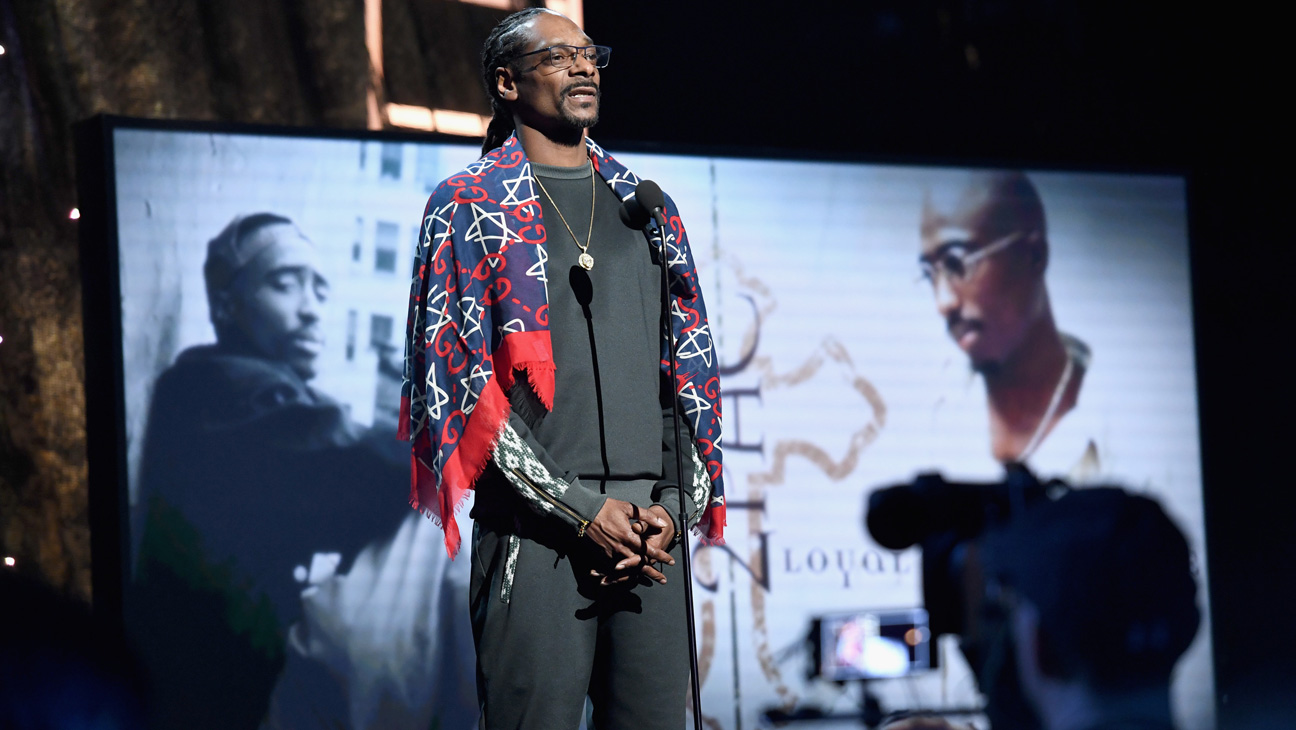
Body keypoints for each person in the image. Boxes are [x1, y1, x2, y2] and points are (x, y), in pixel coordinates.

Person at [400, 8, 725, 730]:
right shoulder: (468, 205)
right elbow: (459, 389)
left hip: (648, 534)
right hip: (536, 531)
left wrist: (674, 509)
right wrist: (581, 510)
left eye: (588, 54)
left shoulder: (645, 207)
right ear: (506, 82)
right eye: (557, 57)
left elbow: (686, 379)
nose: (583, 66)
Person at [132, 213, 411, 729]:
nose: (311, 309)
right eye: (285, 284)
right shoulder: (216, 389)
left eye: (320, 291)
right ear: (226, 303)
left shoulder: (253, 388)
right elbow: (362, 468)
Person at [919, 172, 1093, 471]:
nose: (943, 303)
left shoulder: (1117, 427)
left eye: (957, 263)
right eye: (929, 275)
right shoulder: (933, 417)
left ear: (1034, 256)